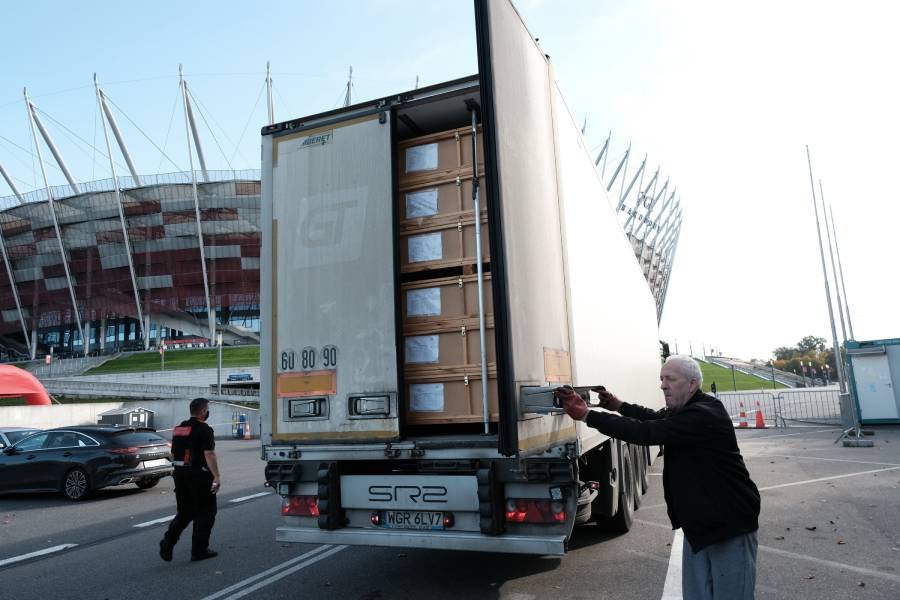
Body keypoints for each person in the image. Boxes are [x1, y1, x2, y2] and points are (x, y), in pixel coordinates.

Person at [554, 355, 760, 600]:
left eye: (670, 379)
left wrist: (588, 415)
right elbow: (653, 417)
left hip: (729, 526)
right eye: (662, 379)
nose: (663, 385)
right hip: (700, 526)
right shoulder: (684, 411)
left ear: (692, 384)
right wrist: (619, 405)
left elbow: (647, 432)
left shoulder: (704, 414)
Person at [159, 397, 221, 562]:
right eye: (207, 410)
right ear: (203, 411)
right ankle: (199, 551)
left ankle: (167, 542)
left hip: (180, 475)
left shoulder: (179, 429)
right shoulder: (204, 429)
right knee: (206, 512)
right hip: (199, 476)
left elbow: (174, 453)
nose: (208, 412)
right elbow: (209, 454)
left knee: (185, 511)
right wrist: (216, 476)